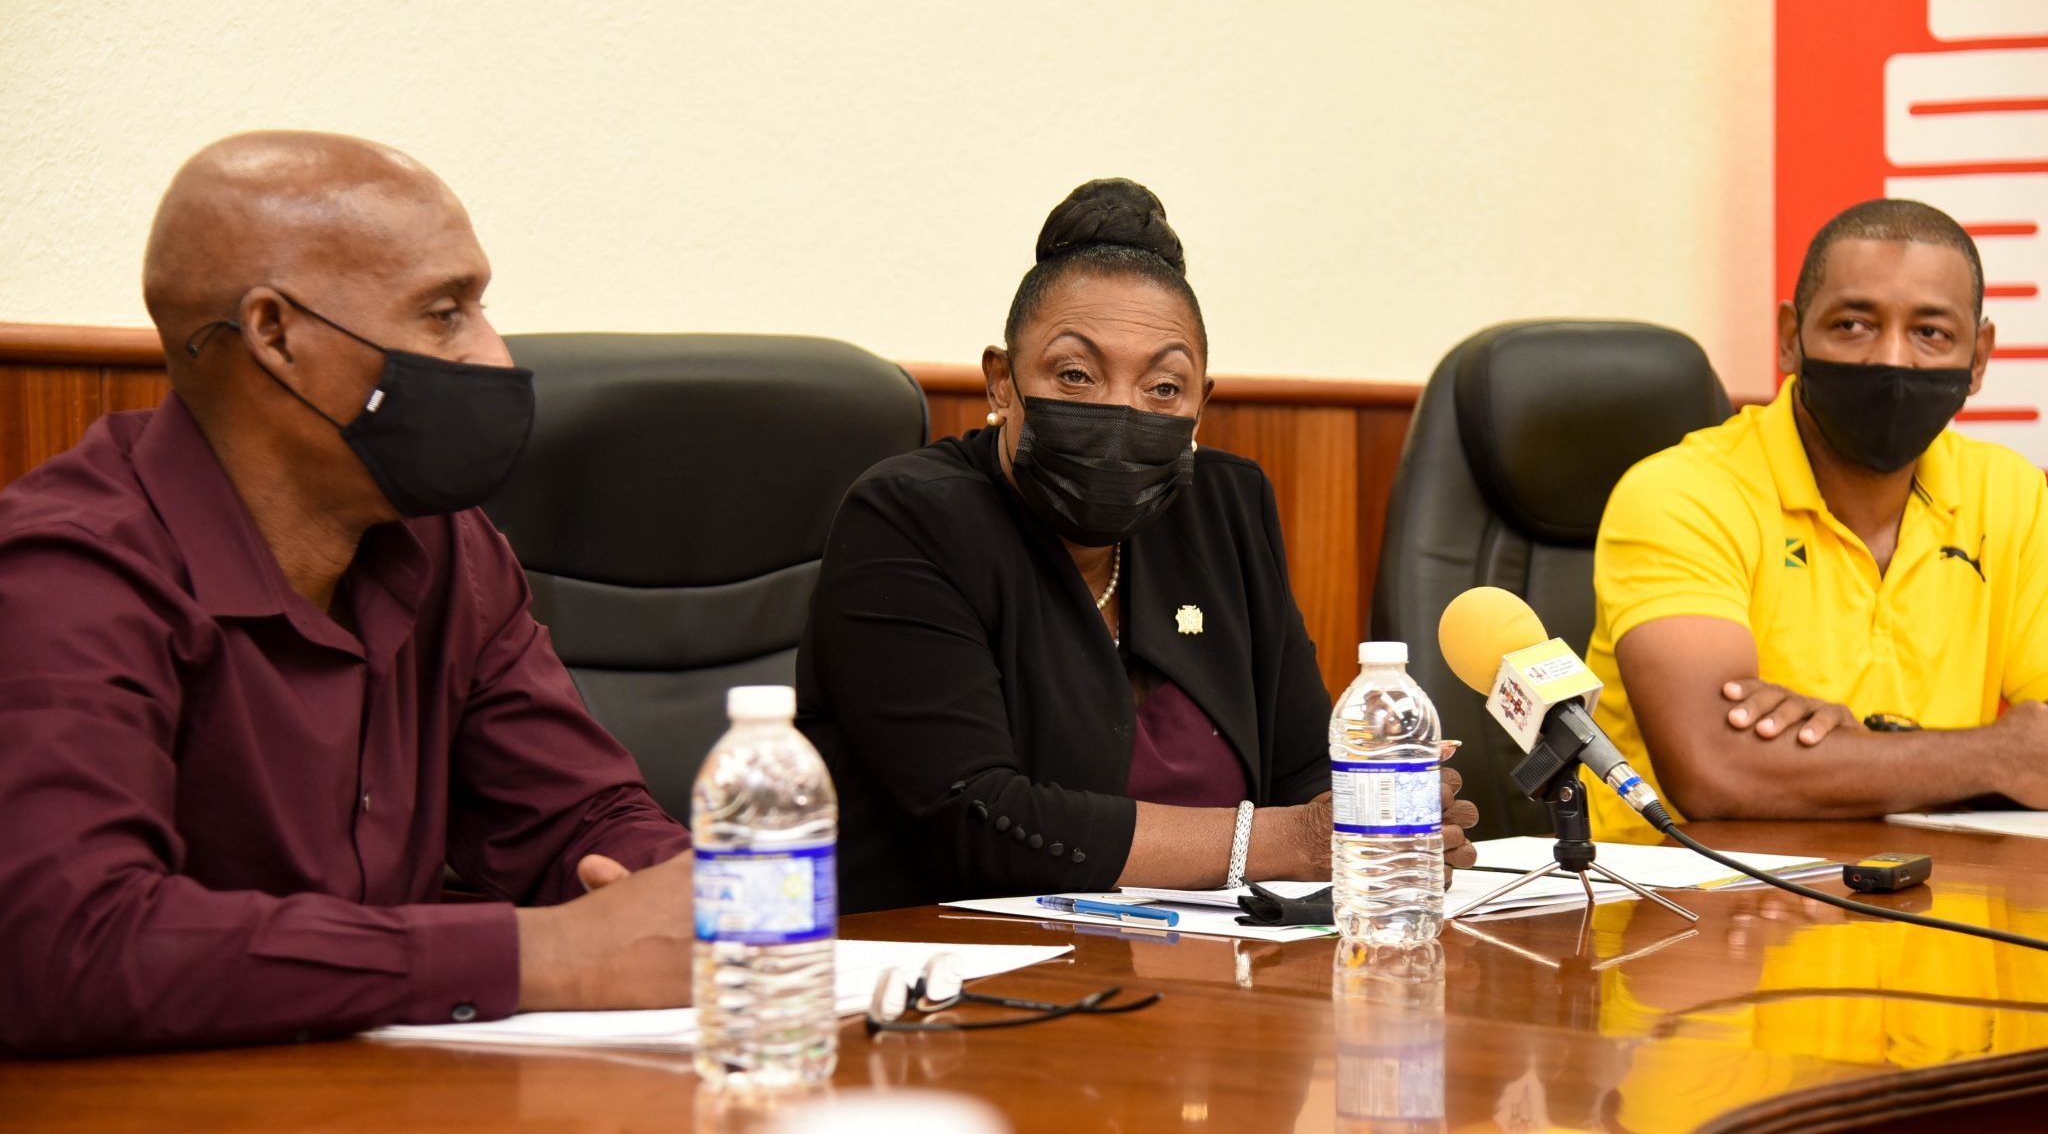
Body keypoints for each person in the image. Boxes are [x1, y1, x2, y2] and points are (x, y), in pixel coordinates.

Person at [0, 132, 695, 1056]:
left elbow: (577, 817)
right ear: (276, 335)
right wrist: (545, 953)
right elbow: (67, 944)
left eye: (481, 308)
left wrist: (690, 899)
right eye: (445, 314)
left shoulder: (447, 545)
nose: (494, 359)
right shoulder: (70, 571)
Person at [796, 179, 1478, 913]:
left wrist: (1387, 829)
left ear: (1201, 404)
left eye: (1163, 388)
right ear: (1001, 383)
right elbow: (974, 818)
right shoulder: (909, 517)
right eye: (1076, 375)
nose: (1122, 413)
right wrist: (1302, 841)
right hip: (954, 960)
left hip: (1211, 959)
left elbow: (1303, 768)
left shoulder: (1225, 507)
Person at [1584, 198, 2048, 840]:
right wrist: (1993, 755)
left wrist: (1860, 751)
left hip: (1930, 882)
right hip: (1684, 892)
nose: (1891, 359)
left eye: (1931, 333)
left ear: (1979, 357)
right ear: (1790, 338)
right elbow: (1716, 770)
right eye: (1853, 325)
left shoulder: (2011, 493)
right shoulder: (1681, 494)